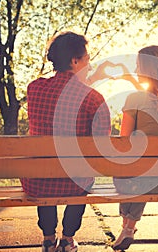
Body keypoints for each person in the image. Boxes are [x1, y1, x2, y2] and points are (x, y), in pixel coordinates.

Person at [20, 31, 111, 252]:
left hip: (37, 180)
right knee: (82, 178)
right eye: (87, 59)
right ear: (75, 61)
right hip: (74, 181)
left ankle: (48, 239)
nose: (89, 65)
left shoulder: (35, 88)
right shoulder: (93, 98)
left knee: (44, 173)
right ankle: (68, 239)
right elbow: (102, 141)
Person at [112, 45, 158, 251]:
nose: (136, 70)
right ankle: (128, 228)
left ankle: (127, 227)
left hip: (135, 181)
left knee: (128, 173)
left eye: (138, 65)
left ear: (147, 69)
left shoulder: (134, 99)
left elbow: (123, 142)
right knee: (142, 174)